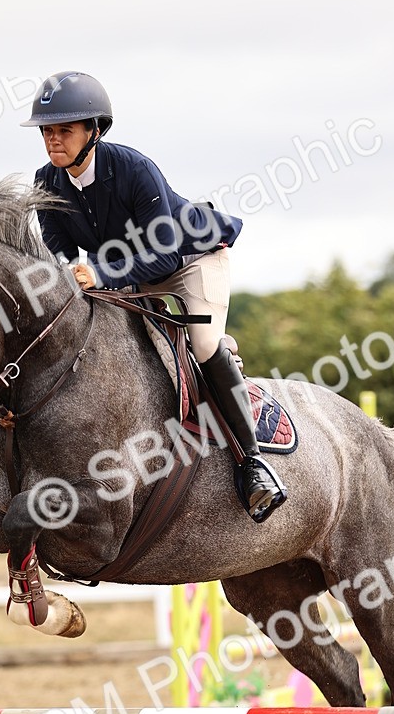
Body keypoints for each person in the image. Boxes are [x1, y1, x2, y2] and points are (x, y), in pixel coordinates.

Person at [22, 70, 287, 522]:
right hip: (127, 269)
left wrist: (99, 272)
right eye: (48, 131)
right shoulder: (47, 181)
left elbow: (163, 258)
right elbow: (59, 252)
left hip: (191, 260)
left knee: (203, 346)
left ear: (95, 131)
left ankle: (253, 462)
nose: (53, 140)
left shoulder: (133, 169)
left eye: (64, 130)